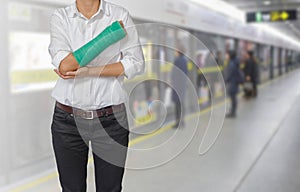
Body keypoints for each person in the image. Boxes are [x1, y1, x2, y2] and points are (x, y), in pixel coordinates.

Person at [48, 0, 144, 191]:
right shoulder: (61, 17)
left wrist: (89, 71)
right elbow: (65, 65)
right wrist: (109, 36)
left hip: (112, 121)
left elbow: (136, 63)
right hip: (67, 122)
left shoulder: (120, 14)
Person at [171, 46, 188, 128]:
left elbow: (174, 74)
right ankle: (182, 121)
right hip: (183, 84)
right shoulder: (185, 61)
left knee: (177, 104)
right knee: (181, 103)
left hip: (177, 85)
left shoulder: (177, 61)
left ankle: (178, 122)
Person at [225, 51, 240, 118]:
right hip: (234, 82)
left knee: (233, 98)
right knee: (234, 98)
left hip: (232, 83)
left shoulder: (232, 64)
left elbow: (230, 74)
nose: (226, 56)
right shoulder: (235, 62)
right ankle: (233, 111)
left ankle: (233, 113)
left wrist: (225, 80)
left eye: (227, 55)